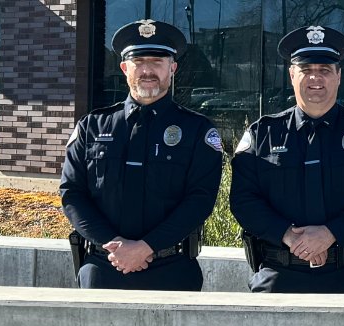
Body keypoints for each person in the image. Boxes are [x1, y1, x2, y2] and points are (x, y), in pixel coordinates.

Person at [229, 26, 344, 293]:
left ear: (338, 76)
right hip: (279, 276)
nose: (315, 78)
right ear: (291, 75)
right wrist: (289, 236)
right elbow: (243, 200)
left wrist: (330, 233)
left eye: (325, 70)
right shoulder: (263, 134)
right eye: (306, 69)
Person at [59, 19, 222, 291]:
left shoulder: (197, 131)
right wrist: (115, 245)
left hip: (172, 271)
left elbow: (200, 199)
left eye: (157, 62)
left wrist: (146, 247)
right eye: (139, 62)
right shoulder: (92, 127)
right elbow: (72, 193)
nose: (147, 70)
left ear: (172, 68)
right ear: (125, 68)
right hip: (104, 268)